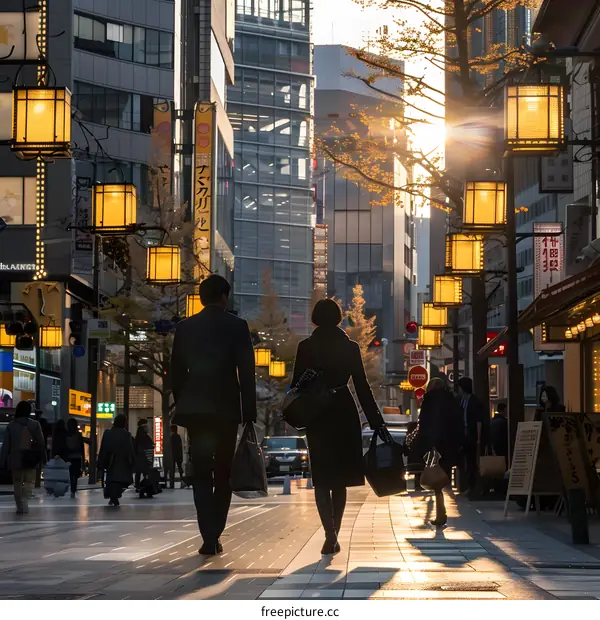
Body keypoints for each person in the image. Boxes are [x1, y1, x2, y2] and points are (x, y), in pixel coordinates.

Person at [171, 274, 257, 556]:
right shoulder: (237, 326)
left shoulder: (185, 328)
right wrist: (249, 411)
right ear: (224, 296)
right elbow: (246, 372)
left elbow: (175, 372)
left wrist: (183, 400)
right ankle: (214, 532)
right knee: (223, 472)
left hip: (196, 411)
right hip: (226, 410)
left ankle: (207, 532)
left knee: (201, 472)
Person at [291, 299, 384, 555]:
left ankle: (328, 532)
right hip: (344, 410)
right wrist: (376, 420)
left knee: (321, 476)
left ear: (314, 320)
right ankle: (336, 532)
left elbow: (296, 385)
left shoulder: (305, 347)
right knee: (339, 479)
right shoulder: (350, 347)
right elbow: (362, 386)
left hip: (317, 414)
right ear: (340, 319)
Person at [417, 378, 464, 527]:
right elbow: (459, 422)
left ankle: (440, 513)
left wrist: (426, 444)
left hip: (434, 445)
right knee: (443, 477)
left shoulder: (429, 401)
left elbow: (424, 424)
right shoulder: (453, 401)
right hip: (449, 444)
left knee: (435, 480)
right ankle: (440, 512)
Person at [0, 401, 46, 514]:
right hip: (30, 458)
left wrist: (2, 461)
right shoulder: (35, 425)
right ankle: (25, 500)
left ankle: (19, 505)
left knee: (17, 482)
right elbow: (41, 443)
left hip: (15, 458)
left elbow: (6, 445)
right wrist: (43, 459)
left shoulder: (11, 425)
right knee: (29, 480)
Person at [97, 414, 135, 507]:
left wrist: (101, 460)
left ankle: (112, 495)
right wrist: (133, 461)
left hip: (110, 460)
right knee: (123, 480)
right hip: (123, 461)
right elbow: (130, 449)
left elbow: (103, 448)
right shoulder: (126, 434)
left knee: (111, 479)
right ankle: (115, 494)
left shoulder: (108, 433)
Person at [457, 377, 485, 496]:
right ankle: (465, 485)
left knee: (472, 461)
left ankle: (473, 486)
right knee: (464, 460)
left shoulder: (474, 401)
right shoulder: (462, 400)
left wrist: (478, 438)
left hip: (471, 435)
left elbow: (478, 421)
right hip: (463, 434)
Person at [65, 418, 85, 498]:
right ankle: (74, 487)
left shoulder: (66, 434)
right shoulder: (78, 435)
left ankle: (72, 487)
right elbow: (81, 447)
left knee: (70, 473)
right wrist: (83, 457)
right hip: (77, 456)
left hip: (69, 456)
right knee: (76, 473)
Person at [133, 419, 154, 491]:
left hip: (139, 456)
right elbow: (149, 444)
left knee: (138, 472)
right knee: (146, 472)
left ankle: (137, 485)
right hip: (144, 456)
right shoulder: (145, 436)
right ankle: (146, 485)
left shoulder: (138, 436)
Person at [169, 424, 184, 489]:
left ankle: (172, 483)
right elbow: (180, 447)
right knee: (180, 468)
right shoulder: (178, 436)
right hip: (178, 454)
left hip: (172, 454)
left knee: (172, 469)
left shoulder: (171, 437)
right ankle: (183, 480)